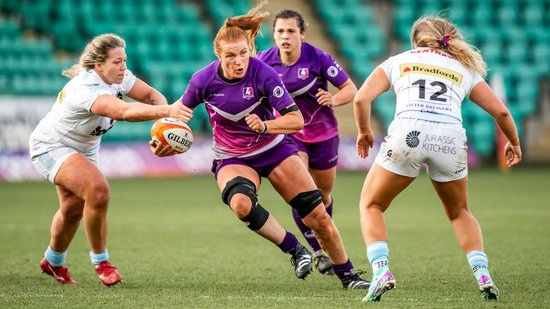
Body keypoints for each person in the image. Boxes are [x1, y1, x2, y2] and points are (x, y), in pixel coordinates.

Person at [153, 1, 368, 289]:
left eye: (243, 53)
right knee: (241, 204)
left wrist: (266, 125)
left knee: (318, 215)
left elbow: (296, 120)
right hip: (232, 157)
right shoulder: (202, 80)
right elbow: (179, 111)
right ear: (218, 54)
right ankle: (295, 249)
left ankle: (349, 276)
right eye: (231, 56)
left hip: (274, 149)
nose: (239, 61)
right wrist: (166, 135)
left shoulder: (264, 72)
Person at [353, 16, 522, 302]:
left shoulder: (398, 60)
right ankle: (483, 275)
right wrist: (514, 143)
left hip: (408, 136)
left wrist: (364, 131)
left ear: (415, 39)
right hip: (450, 139)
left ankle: (381, 271)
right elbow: (502, 113)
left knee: (371, 204)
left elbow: (360, 99)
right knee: (459, 212)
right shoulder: (464, 68)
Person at [29, 33, 192, 286]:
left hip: (85, 149)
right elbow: (123, 111)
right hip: (51, 146)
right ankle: (101, 263)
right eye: (117, 62)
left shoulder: (119, 77)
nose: (124, 67)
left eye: (125, 60)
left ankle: (52, 261)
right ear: (98, 65)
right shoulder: (85, 87)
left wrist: (164, 127)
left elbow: (150, 96)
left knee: (73, 210)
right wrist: (169, 110)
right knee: (99, 190)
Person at [257, 9, 357, 276]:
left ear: (302, 34)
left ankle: (324, 238)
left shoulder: (318, 57)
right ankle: (318, 250)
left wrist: (333, 99)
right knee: (303, 194)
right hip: (289, 135)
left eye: (291, 31)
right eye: (280, 31)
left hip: (323, 135)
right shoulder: (263, 61)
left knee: (322, 196)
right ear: (274, 35)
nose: (285, 36)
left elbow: (350, 89)